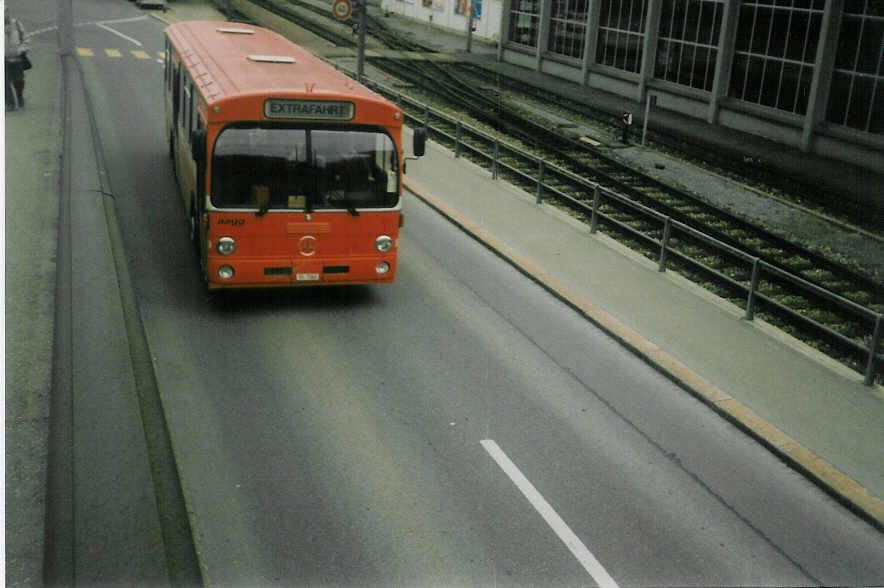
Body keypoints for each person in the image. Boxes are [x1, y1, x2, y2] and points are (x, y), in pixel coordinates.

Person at [5, 8, 29, 111]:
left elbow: (26, 39)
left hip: (17, 59)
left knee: (19, 81)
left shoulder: (16, 24)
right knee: (5, 83)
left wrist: (21, 50)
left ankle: (19, 96)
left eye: (5, 12)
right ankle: (10, 104)